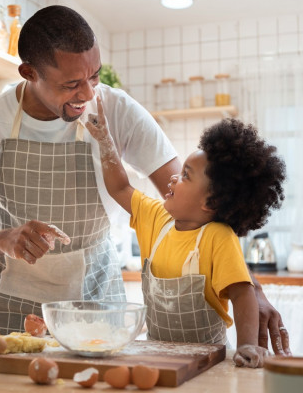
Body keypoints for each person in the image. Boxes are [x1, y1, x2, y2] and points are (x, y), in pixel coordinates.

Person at [0, 5, 290, 354]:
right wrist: (3, 240)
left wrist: (251, 290)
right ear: (29, 72)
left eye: (94, 76)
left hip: (101, 311)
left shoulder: (118, 112)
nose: (88, 94)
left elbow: (202, 210)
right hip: (16, 313)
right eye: (72, 84)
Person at [85, 98, 288, 367]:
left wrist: (247, 346)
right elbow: (120, 188)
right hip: (159, 356)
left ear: (210, 203)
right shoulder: (156, 217)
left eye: (185, 176)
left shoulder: (218, 237)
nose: (173, 178)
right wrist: (105, 142)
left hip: (208, 362)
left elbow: (242, 293)